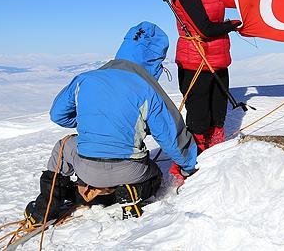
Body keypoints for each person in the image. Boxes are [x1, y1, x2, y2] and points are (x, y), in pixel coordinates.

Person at [23, 22, 198, 225]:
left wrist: (94, 124)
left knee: (64, 145)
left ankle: (45, 207)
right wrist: (188, 167)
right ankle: (134, 192)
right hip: (130, 170)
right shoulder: (146, 87)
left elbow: (58, 115)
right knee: (154, 174)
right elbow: (170, 136)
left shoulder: (85, 79)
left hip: (86, 169)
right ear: (154, 60)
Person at [169, 0, 240, 179]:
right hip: (195, 63)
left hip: (219, 60)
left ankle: (215, 149)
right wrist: (231, 25)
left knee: (218, 110)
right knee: (199, 116)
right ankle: (188, 164)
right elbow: (206, 28)